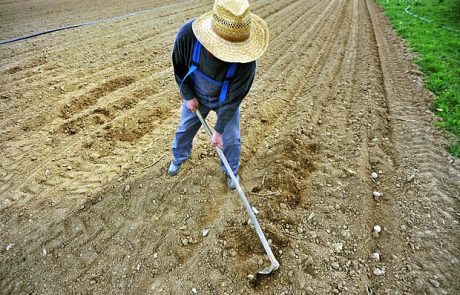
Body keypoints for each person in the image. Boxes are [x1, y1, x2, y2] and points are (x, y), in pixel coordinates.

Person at [168, 0, 269, 189]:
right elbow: (179, 67)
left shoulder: (247, 64)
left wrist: (219, 130)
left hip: (225, 102)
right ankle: (178, 158)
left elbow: (234, 100)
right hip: (196, 96)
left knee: (230, 140)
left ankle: (231, 170)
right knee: (184, 129)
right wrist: (188, 95)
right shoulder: (188, 36)